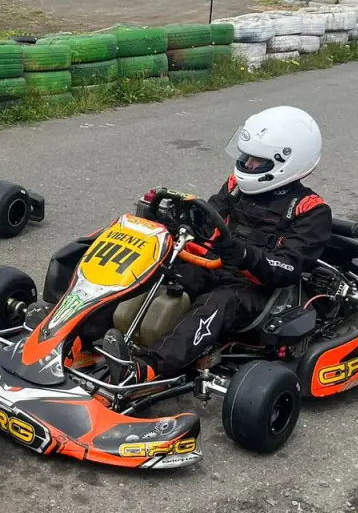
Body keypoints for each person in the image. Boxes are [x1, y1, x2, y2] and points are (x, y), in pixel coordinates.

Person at [101, 105, 333, 386]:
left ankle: (145, 369)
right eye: (245, 156)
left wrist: (244, 255)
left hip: (257, 290)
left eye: (256, 161)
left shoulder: (310, 210)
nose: (247, 164)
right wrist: (174, 221)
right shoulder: (237, 185)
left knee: (217, 303)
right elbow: (208, 219)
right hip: (213, 264)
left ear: (287, 162)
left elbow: (288, 267)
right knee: (155, 273)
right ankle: (76, 335)